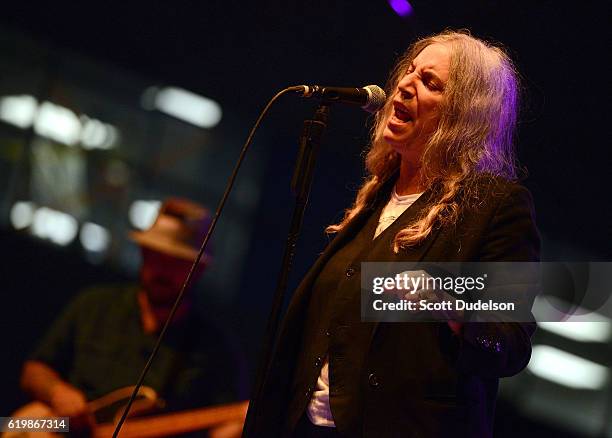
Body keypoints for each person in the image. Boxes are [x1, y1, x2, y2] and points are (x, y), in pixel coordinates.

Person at [248, 30, 540, 437]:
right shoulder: (376, 197)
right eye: (410, 72)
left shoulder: (493, 206)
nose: (404, 85)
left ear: (462, 113)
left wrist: (453, 306)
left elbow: (510, 345)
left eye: (429, 83)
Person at [19, 198, 247, 435]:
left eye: (176, 262)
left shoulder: (217, 349)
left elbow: (226, 424)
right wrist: (57, 392)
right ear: (143, 252)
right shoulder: (94, 304)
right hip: (63, 428)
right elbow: (33, 370)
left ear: (199, 269)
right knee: (14, 424)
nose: (163, 269)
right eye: (156, 255)